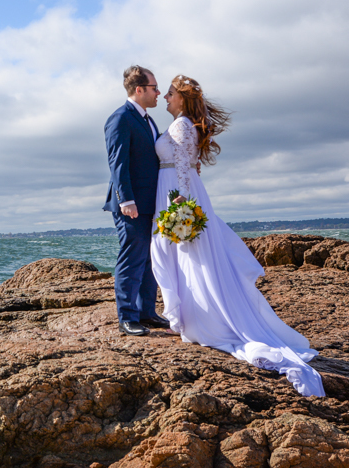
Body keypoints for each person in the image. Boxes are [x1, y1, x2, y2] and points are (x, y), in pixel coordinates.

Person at [150, 75, 325, 397]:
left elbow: (186, 170)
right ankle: (185, 311)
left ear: (182, 99)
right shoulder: (181, 124)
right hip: (175, 191)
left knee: (187, 255)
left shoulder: (181, 125)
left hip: (177, 194)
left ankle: (200, 316)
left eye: (171, 94)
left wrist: (182, 207)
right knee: (175, 255)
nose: (166, 97)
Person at [104, 66, 171, 336]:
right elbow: (117, 163)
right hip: (130, 204)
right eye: (154, 87)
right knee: (132, 258)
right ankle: (127, 317)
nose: (159, 92)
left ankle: (146, 312)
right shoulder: (120, 118)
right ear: (139, 89)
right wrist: (125, 200)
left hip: (151, 202)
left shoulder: (148, 120)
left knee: (148, 260)